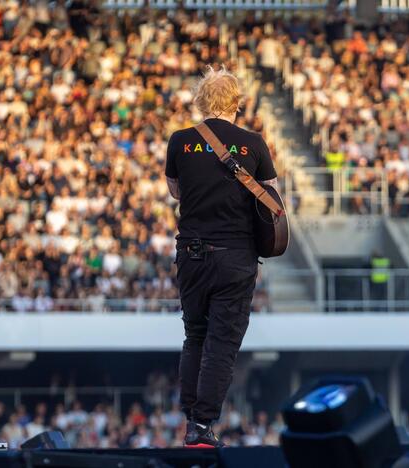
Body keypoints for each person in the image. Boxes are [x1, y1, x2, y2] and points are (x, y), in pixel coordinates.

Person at [165, 66, 278, 447]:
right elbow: (272, 201)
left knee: (194, 334)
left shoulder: (180, 141)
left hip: (192, 253)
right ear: (236, 103)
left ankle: (191, 420)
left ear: (201, 100)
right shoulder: (254, 144)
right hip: (235, 256)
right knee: (222, 342)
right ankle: (202, 426)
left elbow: (176, 192)